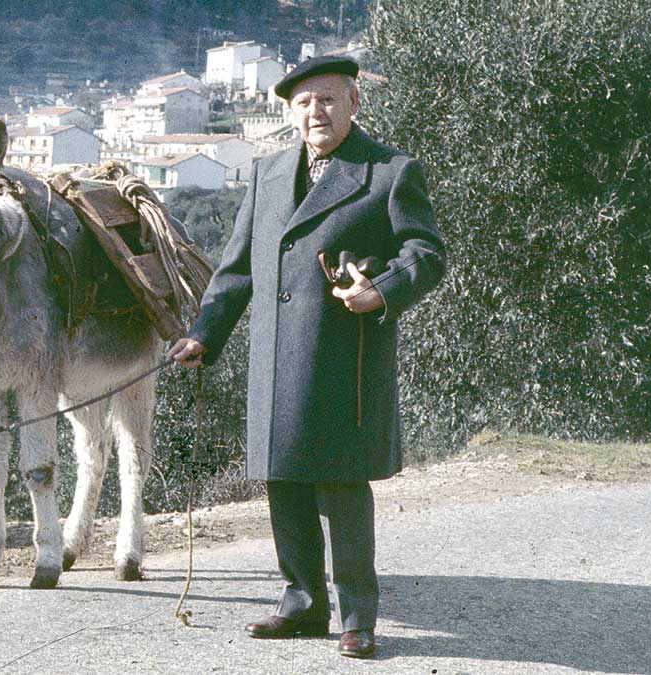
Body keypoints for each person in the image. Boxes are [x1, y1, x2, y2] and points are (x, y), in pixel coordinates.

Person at [167, 54, 446, 659]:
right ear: (289, 112)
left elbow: (427, 254)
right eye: (303, 103)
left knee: (341, 486)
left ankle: (357, 617)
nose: (315, 112)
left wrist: (381, 290)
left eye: (327, 100)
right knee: (284, 480)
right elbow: (237, 269)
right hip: (274, 359)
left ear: (353, 103)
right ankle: (301, 604)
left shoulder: (389, 171)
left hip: (345, 359)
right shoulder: (267, 173)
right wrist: (204, 336)